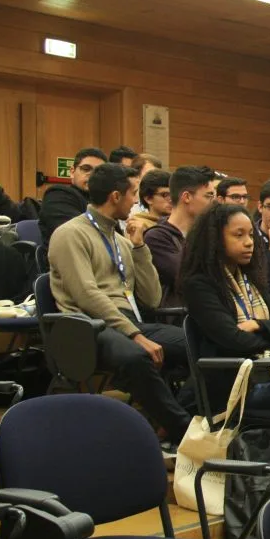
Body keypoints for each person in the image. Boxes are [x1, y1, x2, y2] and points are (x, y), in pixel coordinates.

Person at [48, 164, 191, 442]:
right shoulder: (70, 234)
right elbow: (86, 295)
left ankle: (175, 419)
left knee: (197, 343)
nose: (135, 202)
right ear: (115, 196)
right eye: (133, 194)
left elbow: (152, 298)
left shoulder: (122, 241)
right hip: (88, 326)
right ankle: (183, 430)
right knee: (134, 356)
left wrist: (139, 248)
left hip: (127, 320)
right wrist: (135, 334)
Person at [181, 203, 270, 412]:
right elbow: (234, 340)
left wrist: (260, 325)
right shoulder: (199, 285)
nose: (249, 242)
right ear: (215, 240)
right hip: (232, 383)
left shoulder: (249, 279)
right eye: (239, 235)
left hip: (264, 370)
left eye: (251, 235)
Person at [144, 166, 214, 308]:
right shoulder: (156, 237)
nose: (214, 203)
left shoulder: (209, 234)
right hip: (180, 315)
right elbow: (189, 278)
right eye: (208, 196)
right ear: (186, 197)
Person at [39, 146, 107, 247]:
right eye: (86, 169)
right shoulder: (58, 195)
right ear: (72, 172)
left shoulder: (106, 200)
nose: (92, 175)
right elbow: (76, 235)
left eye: (99, 172)